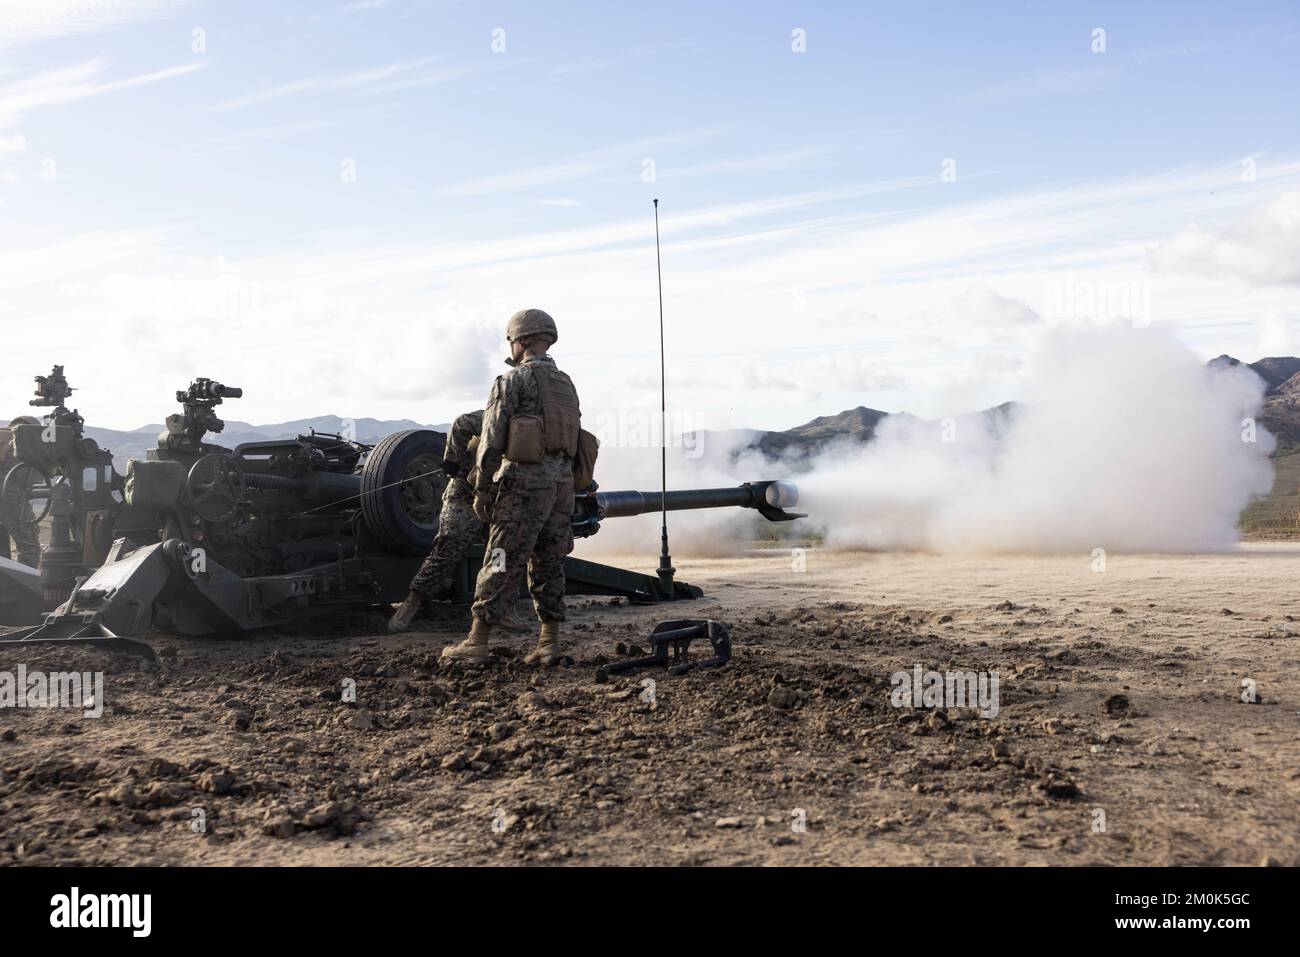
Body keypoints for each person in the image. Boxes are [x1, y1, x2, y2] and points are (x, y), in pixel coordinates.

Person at [442, 308, 580, 666]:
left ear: (520, 341)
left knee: (500, 558)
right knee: (549, 562)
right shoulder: (566, 384)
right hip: (562, 487)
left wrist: (483, 491)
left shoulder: (512, 380)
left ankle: (477, 641)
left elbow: (491, 440)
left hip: (525, 485)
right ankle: (549, 644)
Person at [388, 410, 530, 634]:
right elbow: (461, 423)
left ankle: (503, 608)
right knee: (448, 546)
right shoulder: (499, 415)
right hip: (465, 491)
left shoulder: (537, 426)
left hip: (498, 495)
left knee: (500, 552)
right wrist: (454, 462)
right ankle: (412, 603)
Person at [0, 416, 41, 568]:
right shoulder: (19, 443)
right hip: (9, 492)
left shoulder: (4, 438)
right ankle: (24, 586)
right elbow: (32, 477)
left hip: (7, 489)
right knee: (29, 547)